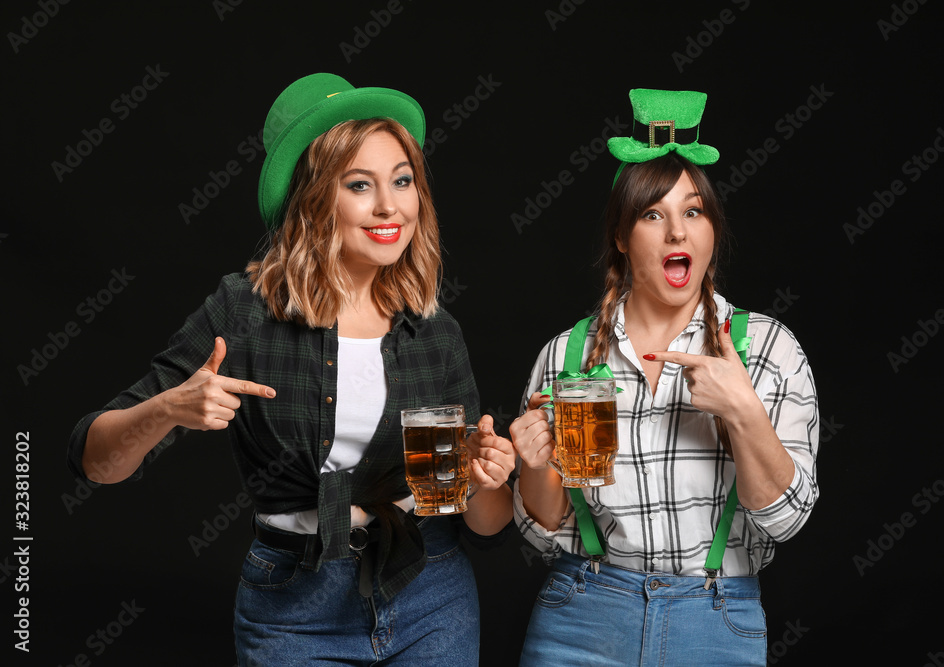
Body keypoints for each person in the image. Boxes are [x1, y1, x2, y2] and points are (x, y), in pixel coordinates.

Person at [67, 72, 514, 666]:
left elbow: (483, 524)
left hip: (431, 593)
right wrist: (168, 407)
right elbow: (96, 462)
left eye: (402, 181)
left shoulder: (435, 331)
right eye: (360, 185)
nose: (390, 206)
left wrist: (489, 479)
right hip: (293, 607)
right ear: (312, 198)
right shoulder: (244, 312)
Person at [509, 89, 819, 666]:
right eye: (654, 214)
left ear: (712, 232)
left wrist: (744, 412)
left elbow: (785, 518)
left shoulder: (770, 348)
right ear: (623, 239)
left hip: (717, 618)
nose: (677, 233)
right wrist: (534, 466)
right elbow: (540, 526)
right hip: (581, 615)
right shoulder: (567, 354)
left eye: (694, 211)